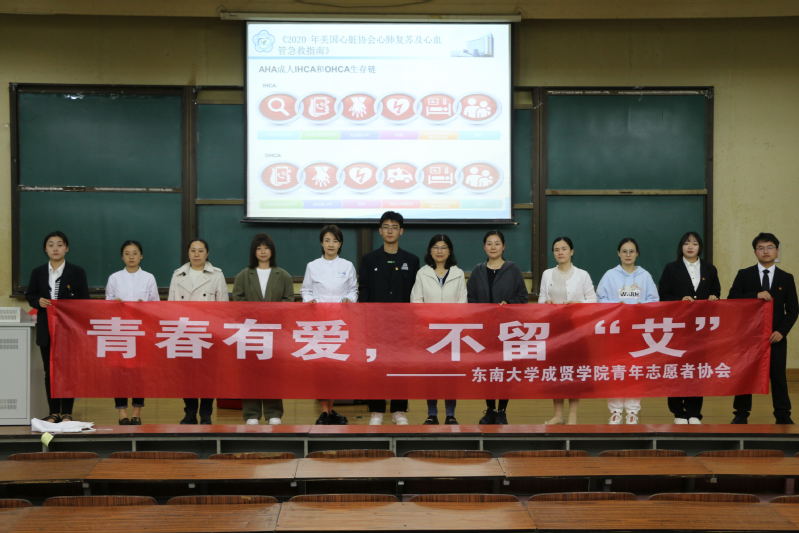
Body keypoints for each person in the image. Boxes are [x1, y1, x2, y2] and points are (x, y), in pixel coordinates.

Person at [728, 232, 798, 424]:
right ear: (755, 252)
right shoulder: (744, 274)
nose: (765, 251)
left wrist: (782, 332)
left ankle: (783, 414)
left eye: (770, 247)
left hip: (775, 336)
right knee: (746, 374)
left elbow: (793, 310)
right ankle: (741, 414)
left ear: (777, 250)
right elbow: (732, 299)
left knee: (778, 376)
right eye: (761, 248)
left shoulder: (786, 278)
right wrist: (755, 295)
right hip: (748, 336)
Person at [359, 211, 420, 425]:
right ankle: (376, 410)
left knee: (400, 366)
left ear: (401, 231)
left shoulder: (412, 260)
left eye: (394, 227)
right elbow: (364, 290)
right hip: (375, 324)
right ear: (380, 231)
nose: (390, 231)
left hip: (403, 325)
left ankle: (399, 409)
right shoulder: (369, 260)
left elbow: (415, 293)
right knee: (376, 366)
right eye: (386, 227)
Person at [25, 231, 89, 423]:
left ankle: (67, 412)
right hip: (47, 328)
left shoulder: (77, 272)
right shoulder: (38, 272)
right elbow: (30, 295)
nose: (55, 248)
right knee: (50, 370)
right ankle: (54, 412)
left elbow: (84, 300)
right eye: (51, 245)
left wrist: (68, 304)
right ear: (45, 249)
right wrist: (38, 301)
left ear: (66, 248)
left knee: (68, 371)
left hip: (69, 329)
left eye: (60, 244)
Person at [658, 232, 721, 425]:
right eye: (686, 243)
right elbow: (663, 295)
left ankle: (694, 412)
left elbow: (716, 291)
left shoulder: (709, 269)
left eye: (694, 243)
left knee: (696, 370)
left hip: (700, 329)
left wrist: (714, 297)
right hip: (677, 327)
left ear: (700, 247)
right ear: (681, 247)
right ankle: (678, 412)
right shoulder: (671, 268)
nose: (690, 246)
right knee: (676, 369)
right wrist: (680, 300)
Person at [231, 233, 294, 425]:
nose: (263, 252)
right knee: (251, 373)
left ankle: (274, 412)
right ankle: (251, 413)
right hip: (250, 331)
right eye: (259, 248)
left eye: (266, 248)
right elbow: (237, 300)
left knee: (273, 373)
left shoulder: (283, 275)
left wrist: (272, 313)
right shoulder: (243, 275)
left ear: (272, 251)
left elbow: (289, 301)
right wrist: (254, 312)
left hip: (275, 332)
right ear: (254, 252)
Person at [467, 230, 528, 424]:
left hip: (506, 330)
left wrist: (508, 303)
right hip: (484, 329)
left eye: (497, 243)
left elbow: (523, 297)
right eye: (489, 243)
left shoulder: (513, 269)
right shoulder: (477, 270)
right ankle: (490, 409)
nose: (493, 247)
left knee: (504, 370)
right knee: (487, 370)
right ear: (484, 247)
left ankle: (502, 410)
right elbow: (470, 298)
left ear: (504, 246)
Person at [596, 237, 659, 424]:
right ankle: (615, 410)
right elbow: (599, 299)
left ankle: (632, 410)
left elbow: (654, 300)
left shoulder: (645, 276)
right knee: (615, 369)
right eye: (624, 251)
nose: (628, 255)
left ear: (637, 254)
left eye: (632, 251)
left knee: (634, 370)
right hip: (615, 330)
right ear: (618, 253)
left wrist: (641, 306)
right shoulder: (609, 275)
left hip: (638, 331)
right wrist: (617, 305)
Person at [168, 239, 228, 424]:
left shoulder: (217, 275)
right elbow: (170, 305)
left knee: (208, 374)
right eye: (193, 250)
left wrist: (218, 331)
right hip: (184, 331)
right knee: (187, 375)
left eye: (200, 250)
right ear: (188, 253)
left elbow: (223, 306)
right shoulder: (178, 274)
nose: (196, 254)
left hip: (209, 332)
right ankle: (190, 411)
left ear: (207, 253)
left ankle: (206, 412)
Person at [301, 225, 357, 425]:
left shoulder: (347, 265)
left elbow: (353, 290)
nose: (331, 244)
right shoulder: (312, 266)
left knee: (335, 367)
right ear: (321, 243)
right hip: (318, 323)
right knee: (321, 367)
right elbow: (306, 290)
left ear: (340, 244)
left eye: (335, 240)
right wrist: (310, 302)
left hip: (340, 323)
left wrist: (350, 300)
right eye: (327, 240)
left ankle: (331, 409)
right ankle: (324, 410)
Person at [538, 236, 597, 425]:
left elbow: (593, 300)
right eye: (556, 249)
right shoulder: (547, 274)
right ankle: (558, 414)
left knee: (573, 371)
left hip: (576, 329)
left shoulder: (582, 275)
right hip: (554, 329)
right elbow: (541, 298)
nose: (560, 252)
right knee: (555, 372)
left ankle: (572, 415)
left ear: (572, 251)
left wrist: (578, 303)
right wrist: (546, 303)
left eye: (564, 248)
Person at [410, 234, 468, 424]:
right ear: (430, 251)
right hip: (429, 332)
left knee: (451, 374)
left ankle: (450, 414)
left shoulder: (458, 273)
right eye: (436, 247)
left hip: (452, 332)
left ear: (450, 251)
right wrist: (430, 320)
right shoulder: (423, 273)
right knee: (432, 374)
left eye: (443, 247)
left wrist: (450, 320)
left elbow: (463, 303)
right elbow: (416, 301)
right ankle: (432, 414)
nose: (439, 251)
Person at [105, 240, 160, 425]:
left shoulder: (149, 277)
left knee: (139, 372)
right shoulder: (114, 278)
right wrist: (115, 304)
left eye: (135, 253)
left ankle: (137, 412)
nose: (131, 257)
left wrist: (145, 306)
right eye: (127, 253)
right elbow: (106, 304)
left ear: (141, 256)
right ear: (122, 257)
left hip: (141, 331)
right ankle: (122, 412)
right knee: (118, 371)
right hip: (119, 330)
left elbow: (156, 305)